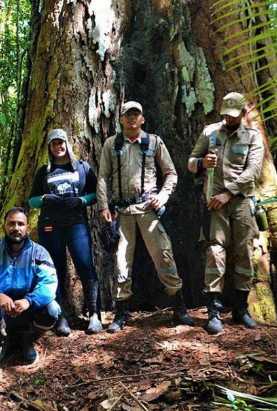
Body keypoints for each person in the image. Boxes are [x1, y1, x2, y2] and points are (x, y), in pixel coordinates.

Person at [96, 101, 194, 333]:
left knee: (163, 255)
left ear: (142, 119)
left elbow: (170, 173)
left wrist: (163, 196)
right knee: (121, 261)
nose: (132, 118)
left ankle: (178, 307)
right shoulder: (112, 144)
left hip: (149, 209)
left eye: (136, 114)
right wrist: (103, 206)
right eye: (127, 115)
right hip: (123, 212)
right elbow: (102, 176)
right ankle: (121, 313)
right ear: (120, 119)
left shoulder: (154, 142)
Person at [187, 92, 265, 334]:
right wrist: (202, 164)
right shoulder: (210, 132)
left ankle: (241, 308)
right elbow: (191, 161)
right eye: (225, 115)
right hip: (214, 203)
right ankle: (214, 310)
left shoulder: (252, 137)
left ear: (242, 114)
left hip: (240, 202)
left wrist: (228, 193)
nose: (228, 119)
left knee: (244, 251)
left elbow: (253, 170)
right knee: (215, 252)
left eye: (233, 115)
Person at [27, 129, 101, 335]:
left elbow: (96, 193)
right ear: (49, 147)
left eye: (61, 143)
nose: (58, 147)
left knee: (85, 266)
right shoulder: (44, 171)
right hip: (50, 225)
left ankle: (94, 314)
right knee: (54, 269)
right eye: (54, 144)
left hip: (76, 222)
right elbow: (31, 201)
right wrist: (43, 199)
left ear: (67, 144)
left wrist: (81, 200)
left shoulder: (82, 167)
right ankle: (60, 318)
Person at [0, 207, 59, 363]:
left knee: (52, 309)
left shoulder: (40, 253)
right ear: (4, 226)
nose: (16, 228)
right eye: (11, 224)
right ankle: (1, 340)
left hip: (28, 310)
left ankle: (28, 341)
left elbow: (48, 284)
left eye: (20, 224)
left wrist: (29, 300)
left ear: (27, 227)